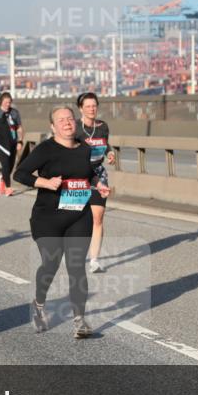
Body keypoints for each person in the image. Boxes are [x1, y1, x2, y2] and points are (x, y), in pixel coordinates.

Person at [14, 106, 109, 339]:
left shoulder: (84, 148)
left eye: (70, 119)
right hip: (48, 218)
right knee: (51, 264)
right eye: (61, 120)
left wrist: (98, 184)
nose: (67, 123)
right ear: (53, 127)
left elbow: (89, 173)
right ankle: (39, 305)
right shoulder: (45, 149)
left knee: (76, 266)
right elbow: (20, 173)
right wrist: (45, 183)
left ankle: (79, 321)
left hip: (78, 215)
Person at [75, 93, 116, 273]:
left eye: (94, 106)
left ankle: (94, 260)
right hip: (78, 175)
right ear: (81, 108)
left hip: (98, 173)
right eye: (88, 106)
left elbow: (106, 144)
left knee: (98, 217)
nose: (92, 109)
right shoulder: (75, 128)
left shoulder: (102, 127)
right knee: (75, 218)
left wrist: (110, 153)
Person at [0, 92, 24, 197]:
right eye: (6, 102)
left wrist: (20, 141)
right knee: (5, 164)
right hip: (0, 143)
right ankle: (8, 187)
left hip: (12, 142)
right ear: (1, 102)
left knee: (11, 166)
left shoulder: (15, 113)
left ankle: (3, 179)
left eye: (9, 102)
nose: (8, 104)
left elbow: (19, 128)